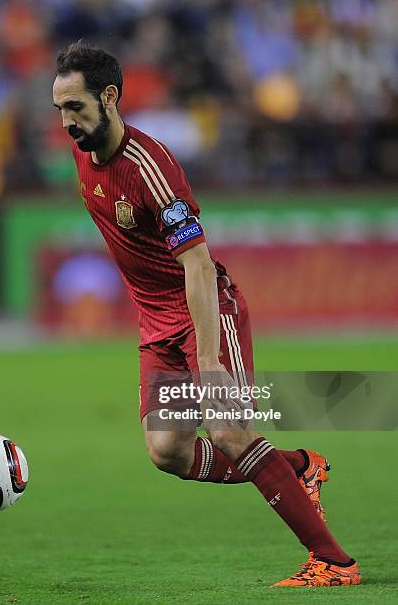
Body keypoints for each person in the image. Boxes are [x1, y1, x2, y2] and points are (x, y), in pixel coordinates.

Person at [52, 42, 360, 588]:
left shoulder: (153, 170)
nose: (67, 122)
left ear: (111, 97)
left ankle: (333, 563)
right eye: (59, 110)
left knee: (228, 428)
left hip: (205, 316)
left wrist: (211, 360)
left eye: (76, 107)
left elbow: (196, 264)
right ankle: (297, 467)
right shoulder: (82, 155)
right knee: (166, 450)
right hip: (156, 327)